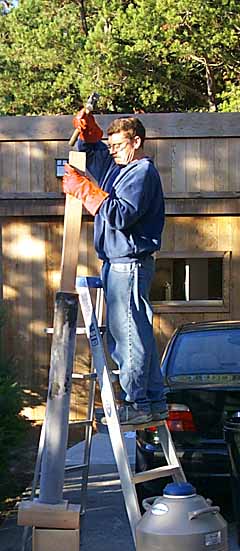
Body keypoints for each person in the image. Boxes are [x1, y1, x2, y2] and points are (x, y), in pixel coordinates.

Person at [62, 110, 168, 426]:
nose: (114, 151)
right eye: (111, 146)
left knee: (129, 336)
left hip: (128, 265)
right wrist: (90, 137)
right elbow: (96, 161)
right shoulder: (119, 168)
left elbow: (121, 215)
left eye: (118, 145)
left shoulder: (141, 172)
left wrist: (84, 190)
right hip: (118, 264)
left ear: (137, 142)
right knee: (136, 333)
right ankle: (153, 401)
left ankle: (137, 402)